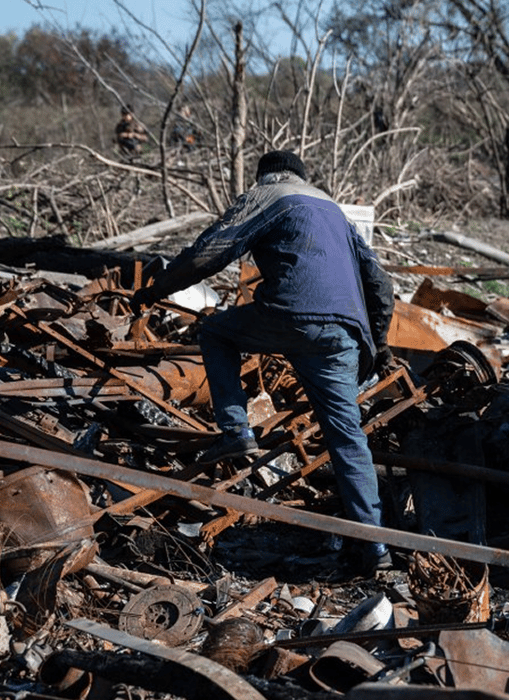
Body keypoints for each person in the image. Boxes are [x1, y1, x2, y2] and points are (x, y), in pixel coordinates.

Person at [131, 150, 397, 573]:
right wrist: (378, 344)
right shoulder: (332, 208)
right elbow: (380, 283)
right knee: (348, 439)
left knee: (215, 332)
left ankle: (235, 430)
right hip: (344, 334)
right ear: (303, 175)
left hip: (290, 315)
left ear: (266, 175)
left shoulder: (267, 194)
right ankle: (375, 548)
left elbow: (209, 252)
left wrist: (154, 290)